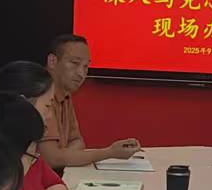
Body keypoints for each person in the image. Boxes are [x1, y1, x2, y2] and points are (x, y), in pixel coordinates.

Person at [0, 63, 125, 190]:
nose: (49, 116)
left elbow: (57, 185)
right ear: (24, 103)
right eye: (48, 106)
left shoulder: (28, 148)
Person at [38, 33, 141, 170]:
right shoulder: (40, 95)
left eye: (85, 66)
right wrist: (110, 152)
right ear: (52, 61)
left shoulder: (65, 94)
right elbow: (52, 159)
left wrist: (65, 156)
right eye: (75, 63)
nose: (81, 73)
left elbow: (78, 141)